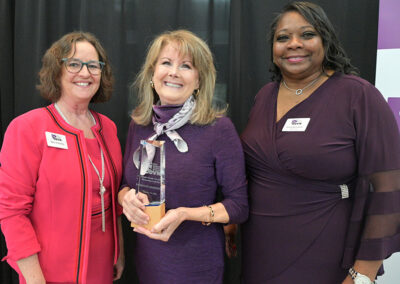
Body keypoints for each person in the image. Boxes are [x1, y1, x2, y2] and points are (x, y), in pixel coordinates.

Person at [240, 2, 400, 284]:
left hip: (324, 251)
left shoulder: (358, 96)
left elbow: (389, 188)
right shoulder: (265, 95)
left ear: (326, 41)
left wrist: (363, 273)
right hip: (260, 251)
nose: (294, 44)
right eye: (283, 38)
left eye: (307, 34)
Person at [118, 29, 248, 283]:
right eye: (166, 63)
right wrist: (127, 199)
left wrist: (185, 214)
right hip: (148, 260)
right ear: (152, 74)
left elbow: (239, 207)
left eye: (186, 66)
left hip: (196, 264)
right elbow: (124, 186)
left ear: (199, 81)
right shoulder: (140, 125)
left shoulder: (218, 129)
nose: (174, 72)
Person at [0, 31, 124, 284]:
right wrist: (34, 279)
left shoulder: (108, 128)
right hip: (48, 269)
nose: (85, 73)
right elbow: (11, 212)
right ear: (56, 71)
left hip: (102, 264)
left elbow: (113, 201)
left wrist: (119, 251)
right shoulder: (28, 128)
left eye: (93, 65)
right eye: (74, 64)